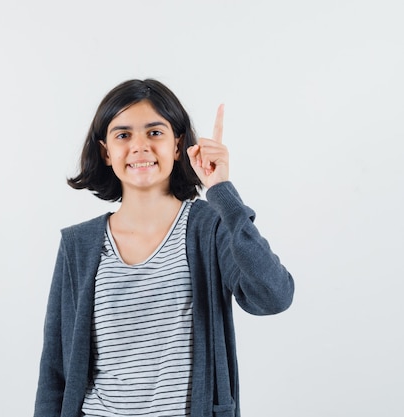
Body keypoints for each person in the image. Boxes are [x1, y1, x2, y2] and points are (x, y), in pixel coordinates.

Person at [33, 79, 294, 417]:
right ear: (106, 152)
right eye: (123, 135)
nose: (140, 146)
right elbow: (54, 372)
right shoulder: (78, 245)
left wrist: (222, 192)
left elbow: (274, 296)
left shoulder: (210, 228)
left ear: (178, 145)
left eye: (155, 133)